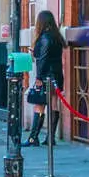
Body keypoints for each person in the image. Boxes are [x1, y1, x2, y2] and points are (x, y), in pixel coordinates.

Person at [28, 10, 65, 147]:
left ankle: (33, 138)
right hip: (57, 75)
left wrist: (38, 77)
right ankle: (51, 138)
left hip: (46, 76)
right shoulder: (57, 37)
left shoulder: (44, 38)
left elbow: (42, 59)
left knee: (39, 105)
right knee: (54, 104)